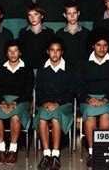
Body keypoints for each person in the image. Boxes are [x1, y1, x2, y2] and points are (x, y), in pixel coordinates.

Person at [77, 28, 109, 167]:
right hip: (88, 99)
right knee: (90, 115)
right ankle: (92, 152)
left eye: (105, 45)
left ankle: (102, 151)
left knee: (105, 114)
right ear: (93, 45)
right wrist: (88, 99)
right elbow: (79, 85)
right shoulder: (83, 61)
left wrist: (105, 100)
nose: (102, 48)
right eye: (98, 45)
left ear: (108, 46)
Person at [35, 37, 76, 169]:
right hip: (46, 105)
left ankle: (56, 154)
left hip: (63, 105)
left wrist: (57, 103)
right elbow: (39, 91)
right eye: (52, 50)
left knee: (55, 116)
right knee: (42, 117)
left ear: (62, 52)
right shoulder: (42, 68)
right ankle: (47, 154)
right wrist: (45, 103)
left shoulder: (69, 68)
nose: (55, 53)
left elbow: (72, 91)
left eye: (58, 50)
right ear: (48, 51)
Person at [0, 40, 34, 165]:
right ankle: (1, 149)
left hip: (21, 101)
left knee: (15, 117)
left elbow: (28, 92)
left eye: (15, 51)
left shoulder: (27, 69)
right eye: (10, 51)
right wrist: (3, 102)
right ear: (6, 54)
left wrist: (14, 103)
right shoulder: (0, 69)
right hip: (3, 100)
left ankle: (12, 149)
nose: (13, 54)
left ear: (20, 52)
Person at [18, 5, 54, 76]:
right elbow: (21, 52)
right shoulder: (23, 32)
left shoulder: (49, 32)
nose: (32, 18)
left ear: (42, 16)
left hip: (44, 69)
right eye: (30, 15)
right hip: (27, 70)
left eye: (35, 14)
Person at [56, 3, 90, 68]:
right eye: (69, 14)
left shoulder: (87, 33)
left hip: (82, 68)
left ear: (78, 13)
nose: (72, 16)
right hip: (65, 69)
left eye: (74, 13)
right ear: (65, 15)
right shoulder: (59, 34)